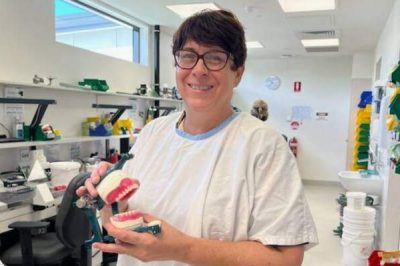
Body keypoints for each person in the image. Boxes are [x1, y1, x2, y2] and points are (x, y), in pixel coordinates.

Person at [77, 9, 318, 266]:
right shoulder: (152, 133)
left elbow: (287, 259)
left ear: (238, 73)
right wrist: (108, 198)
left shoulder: (264, 145)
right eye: (188, 56)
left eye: (215, 58)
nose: (199, 70)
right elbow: (119, 222)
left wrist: (183, 249)